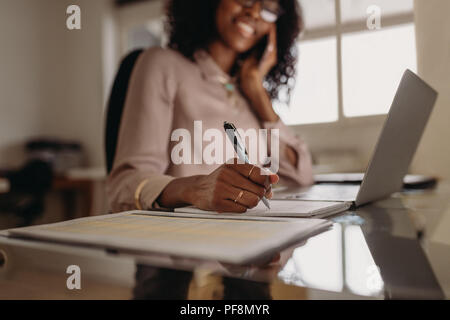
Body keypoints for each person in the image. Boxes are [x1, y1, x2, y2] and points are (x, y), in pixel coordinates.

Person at [107, 0, 314, 214]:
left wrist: (257, 91)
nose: (253, 12)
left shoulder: (249, 92)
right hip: (183, 238)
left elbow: (303, 177)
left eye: (268, 9)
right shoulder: (161, 65)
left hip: (248, 237)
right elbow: (124, 187)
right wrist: (195, 189)